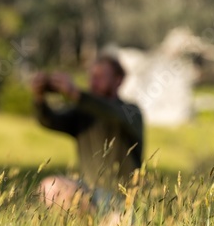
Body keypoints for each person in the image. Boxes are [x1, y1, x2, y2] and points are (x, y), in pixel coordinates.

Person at [32, 55, 143, 216]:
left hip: (122, 198)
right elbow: (50, 121)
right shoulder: (83, 113)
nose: (93, 82)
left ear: (118, 80)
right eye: (92, 77)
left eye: (100, 77)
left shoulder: (131, 112)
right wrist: (39, 98)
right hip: (88, 193)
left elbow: (111, 113)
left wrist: (75, 94)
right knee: (50, 187)